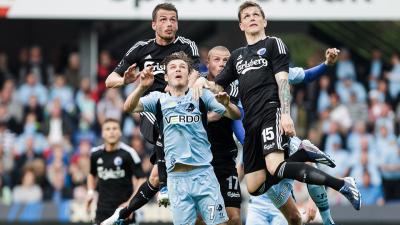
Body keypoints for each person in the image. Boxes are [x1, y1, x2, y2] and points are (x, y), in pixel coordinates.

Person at [193, 0, 361, 213]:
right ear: (241, 25)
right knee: (254, 186)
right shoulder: (237, 56)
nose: (252, 18)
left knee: (275, 166)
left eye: (256, 14)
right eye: (246, 16)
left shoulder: (273, 44)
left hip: (270, 112)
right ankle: (302, 154)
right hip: (250, 123)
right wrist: (202, 82)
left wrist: (285, 115)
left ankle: (342, 184)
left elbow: (283, 81)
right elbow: (217, 84)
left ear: (264, 21)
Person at [115, 52, 240, 225]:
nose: (178, 70)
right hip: (176, 179)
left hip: (203, 175)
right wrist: (142, 87)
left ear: (189, 75)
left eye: (182, 67)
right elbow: (128, 107)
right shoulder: (158, 99)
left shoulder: (201, 96)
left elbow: (235, 114)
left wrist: (227, 104)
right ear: (166, 76)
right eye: (173, 67)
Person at [105, 2, 200, 209]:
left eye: (173, 20)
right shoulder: (141, 48)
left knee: (155, 177)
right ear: (154, 24)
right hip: (149, 108)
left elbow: (195, 73)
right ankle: (166, 186)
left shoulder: (186, 46)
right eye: (163, 20)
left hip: (181, 107)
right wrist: (126, 81)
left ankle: (125, 212)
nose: (169, 24)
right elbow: (109, 80)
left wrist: (181, 94)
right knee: (162, 115)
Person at [195, 46, 242, 225]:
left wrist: (219, 109)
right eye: (217, 60)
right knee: (199, 218)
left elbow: (233, 113)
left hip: (224, 159)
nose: (222, 64)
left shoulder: (234, 85)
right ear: (208, 63)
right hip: (199, 159)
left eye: (226, 61)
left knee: (234, 218)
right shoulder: (195, 84)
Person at [87, 118, 146, 225]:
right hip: (102, 211)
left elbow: (141, 179)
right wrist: (90, 192)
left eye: (115, 128)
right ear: (102, 133)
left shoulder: (129, 153)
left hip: (124, 210)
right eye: (108, 129)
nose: (111, 132)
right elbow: (91, 174)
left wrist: (131, 204)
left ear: (120, 132)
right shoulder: (95, 154)